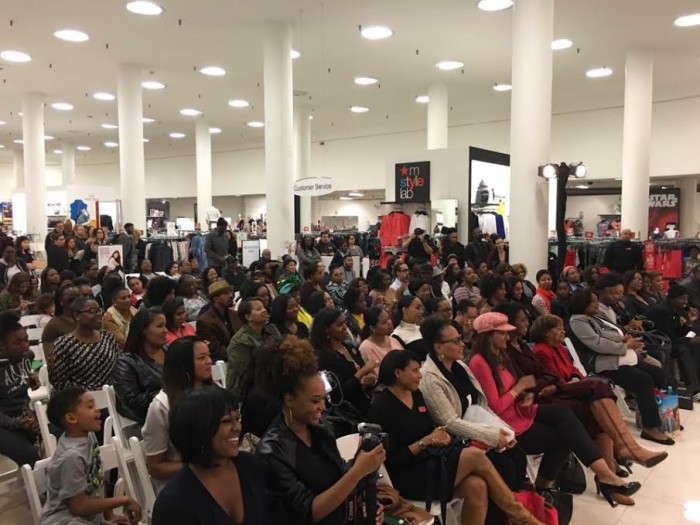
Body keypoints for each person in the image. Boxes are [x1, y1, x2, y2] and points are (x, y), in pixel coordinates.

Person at [468, 312, 640, 502]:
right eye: (502, 333)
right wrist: (519, 389)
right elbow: (496, 406)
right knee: (566, 431)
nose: (507, 337)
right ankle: (591, 478)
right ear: (489, 336)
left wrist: (524, 395)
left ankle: (605, 474)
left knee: (566, 415)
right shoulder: (479, 362)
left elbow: (519, 388)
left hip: (521, 412)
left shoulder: (500, 356)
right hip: (507, 425)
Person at [368, 350, 545, 525]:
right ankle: (522, 518)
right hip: (407, 475)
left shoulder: (416, 395)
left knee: (477, 487)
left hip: (431, 460)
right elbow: (391, 461)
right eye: (414, 371)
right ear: (398, 373)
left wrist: (440, 435)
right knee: (474, 455)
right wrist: (425, 442)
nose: (420, 376)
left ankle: (519, 517)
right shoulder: (382, 408)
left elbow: (429, 429)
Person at [256, 336, 385, 525]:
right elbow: (308, 513)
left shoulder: (320, 428)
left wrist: (365, 505)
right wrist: (358, 471)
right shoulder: (272, 451)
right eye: (315, 401)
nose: (323, 407)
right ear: (289, 399)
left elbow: (338, 481)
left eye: (324, 398)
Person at [528, 313, 668, 468]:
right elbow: (552, 378)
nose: (563, 331)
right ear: (546, 332)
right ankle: (624, 450)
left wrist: (575, 378)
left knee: (602, 402)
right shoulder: (541, 351)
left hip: (570, 386)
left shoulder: (559, 347)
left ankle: (613, 462)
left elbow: (573, 369)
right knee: (599, 388)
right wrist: (573, 380)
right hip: (558, 392)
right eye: (558, 329)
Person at [567, 289, 673, 445]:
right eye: (593, 301)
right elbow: (597, 344)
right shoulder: (577, 321)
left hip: (619, 356)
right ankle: (650, 428)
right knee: (643, 381)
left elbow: (613, 333)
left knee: (658, 373)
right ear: (583, 304)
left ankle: (663, 416)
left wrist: (624, 339)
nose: (597, 304)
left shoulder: (595, 316)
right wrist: (625, 345)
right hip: (602, 363)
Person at [150, 386, 266, 525]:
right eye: (226, 421)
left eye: (237, 418)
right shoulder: (173, 503)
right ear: (200, 429)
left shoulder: (250, 465)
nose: (238, 427)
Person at [42, 387, 142, 525]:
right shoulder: (71, 456)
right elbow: (78, 507)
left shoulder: (89, 435)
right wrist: (125, 500)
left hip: (89, 518)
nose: (97, 409)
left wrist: (108, 515)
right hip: (64, 520)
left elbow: (96, 480)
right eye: (90, 406)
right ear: (71, 418)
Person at [142, 337, 213, 493]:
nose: (209, 361)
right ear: (184, 365)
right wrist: (198, 466)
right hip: (180, 485)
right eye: (202, 358)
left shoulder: (214, 391)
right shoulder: (161, 406)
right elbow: (155, 467)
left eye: (209, 355)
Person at [311, 308, 377, 417]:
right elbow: (337, 394)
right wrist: (363, 371)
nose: (345, 327)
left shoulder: (350, 347)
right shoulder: (323, 357)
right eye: (339, 324)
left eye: (345, 322)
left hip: (365, 402)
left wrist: (369, 378)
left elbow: (361, 375)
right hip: (347, 412)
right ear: (326, 329)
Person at [48, 297, 119, 392]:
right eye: (92, 311)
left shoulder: (108, 337)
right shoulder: (63, 344)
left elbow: (118, 368)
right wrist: (91, 391)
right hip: (76, 400)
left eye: (99, 310)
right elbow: (58, 381)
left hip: (111, 395)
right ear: (77, 315)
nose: (99, 314)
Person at [0, 313, 41, 467]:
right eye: (18, 342)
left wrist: (31, 375)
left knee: (59, 433)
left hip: (23, 414)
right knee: (28, 454)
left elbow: (33, 362)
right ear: (2, 345)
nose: (25, 345)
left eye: (26, 340)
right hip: (4, 422)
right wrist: (15, 423)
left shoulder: (27, 355)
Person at [645, 284, 700, 400]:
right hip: (654, 342)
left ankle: (693, 383)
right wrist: (690, 340)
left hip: (665, 341)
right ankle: (694, 388)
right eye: (682, 299)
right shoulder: (663, 311)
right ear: (673, 298)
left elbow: (676, 332)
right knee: (683, 349)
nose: (685, 302)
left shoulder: (673, 309)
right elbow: (668, 337)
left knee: (693, 347)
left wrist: (689, 322)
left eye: (686, 299)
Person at [112, 309, 166, 424]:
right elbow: (134, 402)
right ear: (143, 330)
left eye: (165, 326)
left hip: (177, 412)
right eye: (160, 326)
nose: (165, 331)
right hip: (147, 421)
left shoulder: (170, 351)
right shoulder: (126, 363)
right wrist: (171, 393)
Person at [226, 297, 281, 396]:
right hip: (246, 390)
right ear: (248, 317)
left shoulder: (271, 330)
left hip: (271, 380)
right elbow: (246, 373)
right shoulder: (240, 341)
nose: (264, 310)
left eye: (264, 308)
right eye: (259, 309)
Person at [196, 281, 235, 362]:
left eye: (230, 292)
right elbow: (215, 349)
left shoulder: (235, 315)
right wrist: (237, 355)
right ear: (215, 298)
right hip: (225, 361)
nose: (231, 296)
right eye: (226, 293)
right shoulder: (204, 321)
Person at [41, 284, 79, 365]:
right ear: (60, 300)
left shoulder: (85, 319)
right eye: (71, 299)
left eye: (79, 298)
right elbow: (50, 359)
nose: (76, 301)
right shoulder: (53, 326)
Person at [391, 295, 428, 361]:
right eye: (417, 308)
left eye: (421, 309)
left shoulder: (422, 329)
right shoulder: (396, 335)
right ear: (404, 310)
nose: (421, 312)